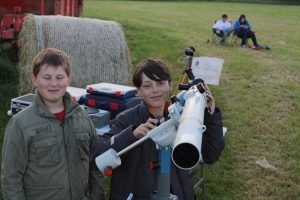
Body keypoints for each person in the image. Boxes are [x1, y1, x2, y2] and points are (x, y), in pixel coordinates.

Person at [90, 58, 225, 199]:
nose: (155, 90)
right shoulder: (127, 119)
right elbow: (96, 158)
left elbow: (210, 154)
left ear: (170, 85)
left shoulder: (185, 118)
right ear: (139, 91)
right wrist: (132, 135)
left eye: (161, 83)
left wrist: (209, 116)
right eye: (147, 86)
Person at [1, 48, 105, 199]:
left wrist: (96, 196)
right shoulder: (20, 124)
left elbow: (95, 162)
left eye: (60, 77)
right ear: (35, 80)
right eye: (47, 77)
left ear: (68, 80)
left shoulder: (82, 116)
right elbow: (11, 178)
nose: (54, 84)